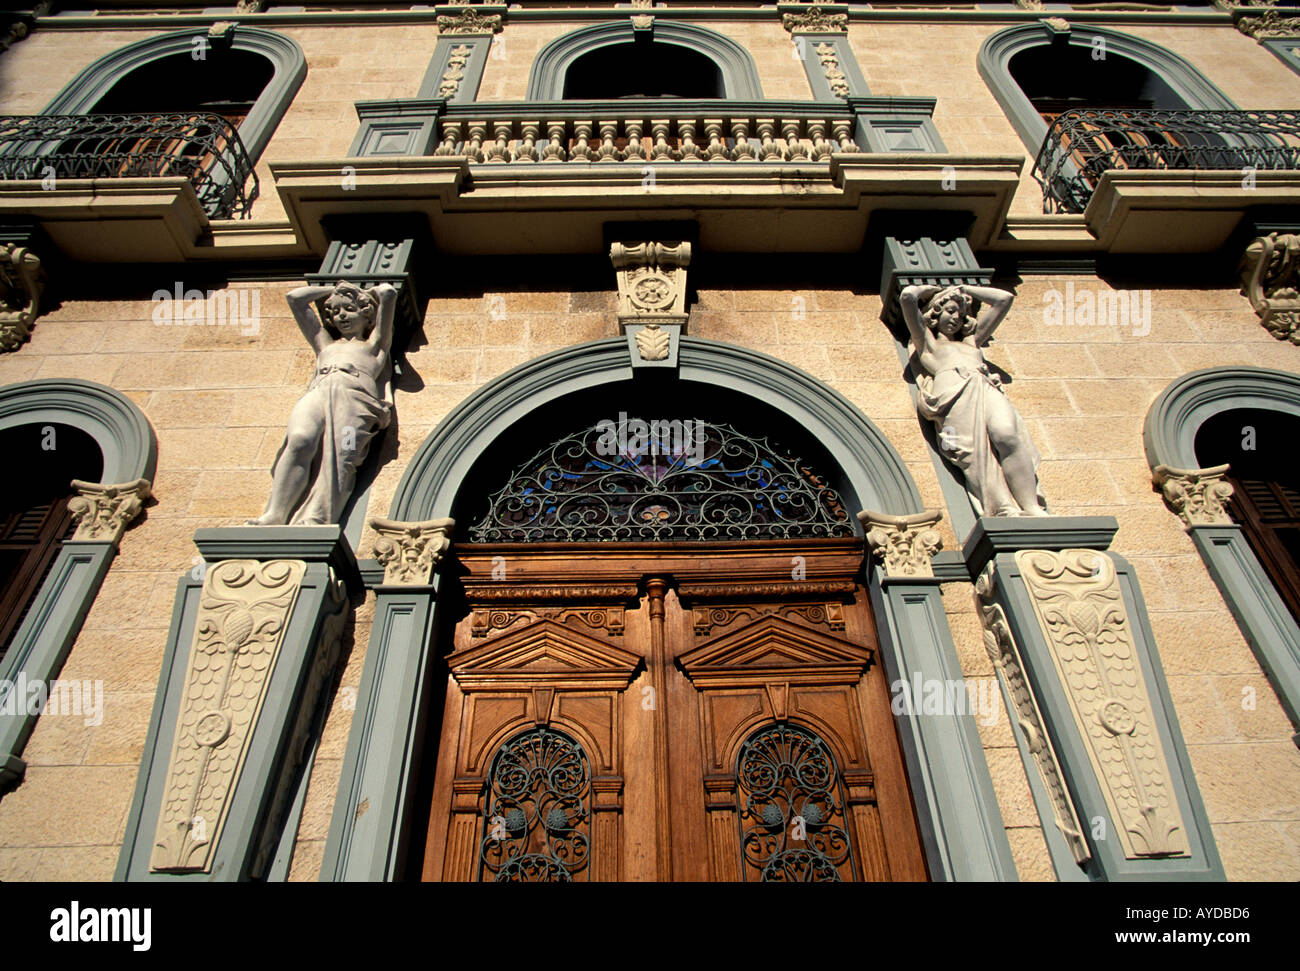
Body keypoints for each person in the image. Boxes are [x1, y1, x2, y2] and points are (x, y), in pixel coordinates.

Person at [249, 280, 397, 525]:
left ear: (366, 313)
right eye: (336, 311)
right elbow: (295, 298)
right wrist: (334, 291)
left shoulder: (375, 346)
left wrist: (363, 293)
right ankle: (276, 512)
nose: (341, 316)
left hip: (355, 403)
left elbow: (388, 292)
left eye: (349, 309)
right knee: (299, 439)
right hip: (320, 391)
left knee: (345, 453)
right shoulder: (324, 344)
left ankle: (318, 516)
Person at [899, 282, 1048, 517]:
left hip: (984, 386)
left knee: (1007, 435)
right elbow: (908, 297)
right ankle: (1002, 508)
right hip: (954, 397)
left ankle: (1031, 506)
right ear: (935, 315)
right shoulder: (929, 345)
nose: (956, 317)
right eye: (949, 310)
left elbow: (1004, 299)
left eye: (960, 313)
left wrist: (964, 289)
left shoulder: (972, 341)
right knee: (974, 456)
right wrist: (931, 289)